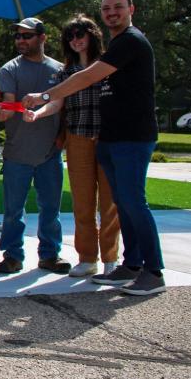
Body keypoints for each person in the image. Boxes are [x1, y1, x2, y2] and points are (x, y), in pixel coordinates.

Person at [23, 0, 163, 295]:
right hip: (109, 138)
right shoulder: (117, 45)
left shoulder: (130, 41)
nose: (112, 12)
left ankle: (153, 272)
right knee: (124, 204)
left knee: (133, 203)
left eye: (118, 7)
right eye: (107, 8)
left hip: (133, 137)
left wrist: (44, 95)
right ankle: (132, 264)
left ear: (131, 9)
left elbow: (86, 78)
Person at [23, 15, 120, 278]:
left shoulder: (108, 65)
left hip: (107, 137)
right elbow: (57, 102)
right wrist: (39, 112)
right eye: (71, 36)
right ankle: (88, 258)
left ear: (92, 35)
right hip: (77, 138)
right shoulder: (65, 73)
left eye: (80, 34)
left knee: (110, 202)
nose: (76, 40)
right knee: (82, 202)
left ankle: (111, 258)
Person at [0, 17, 70, 275]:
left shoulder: (60, 70)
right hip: (17, 152)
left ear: (42, 38)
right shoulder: (9, 69)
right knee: (14, 211)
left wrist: (40, 115)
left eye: (27, 36)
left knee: (51, 208)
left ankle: (50, 255)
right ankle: (12, 256)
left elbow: (59, 103)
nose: (21, 41)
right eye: (18, 36)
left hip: (50, 153)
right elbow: (10, 104)